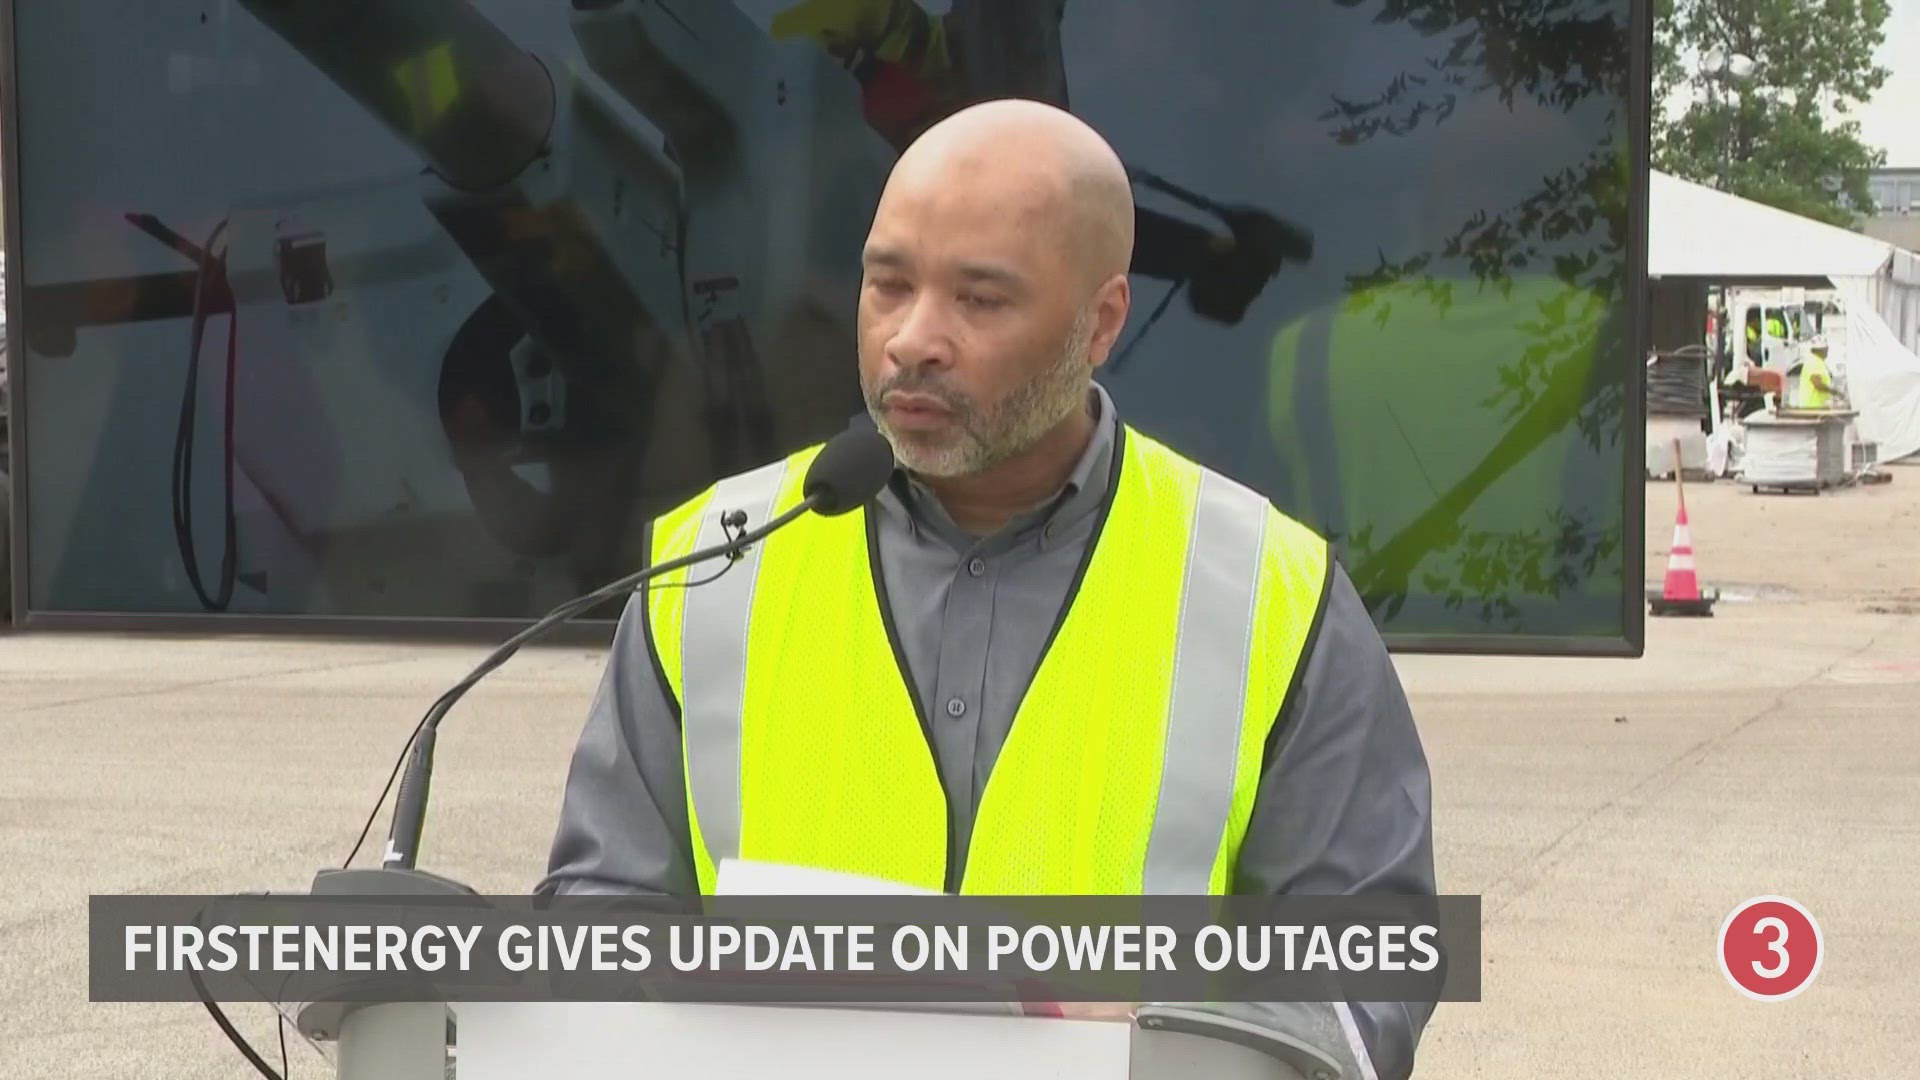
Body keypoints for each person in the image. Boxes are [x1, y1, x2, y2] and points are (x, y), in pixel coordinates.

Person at [539, 99, 1436, 1080]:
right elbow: (599, 917)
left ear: (1102, 321)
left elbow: (1368, 966)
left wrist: (1158, 1014)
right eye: (888, 285)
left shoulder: (1272, 589)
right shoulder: (715, 561)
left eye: (980, 300)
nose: (912, 339)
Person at [1796, 337, 1840, 409]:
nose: (1827, 350)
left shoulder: (1818, 361)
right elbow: (1818, 384)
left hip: (1817, 407)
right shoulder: (1813, 361)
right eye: (1826, 348)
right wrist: (1835, 391)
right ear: (1819, 350)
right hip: (1811, 407)